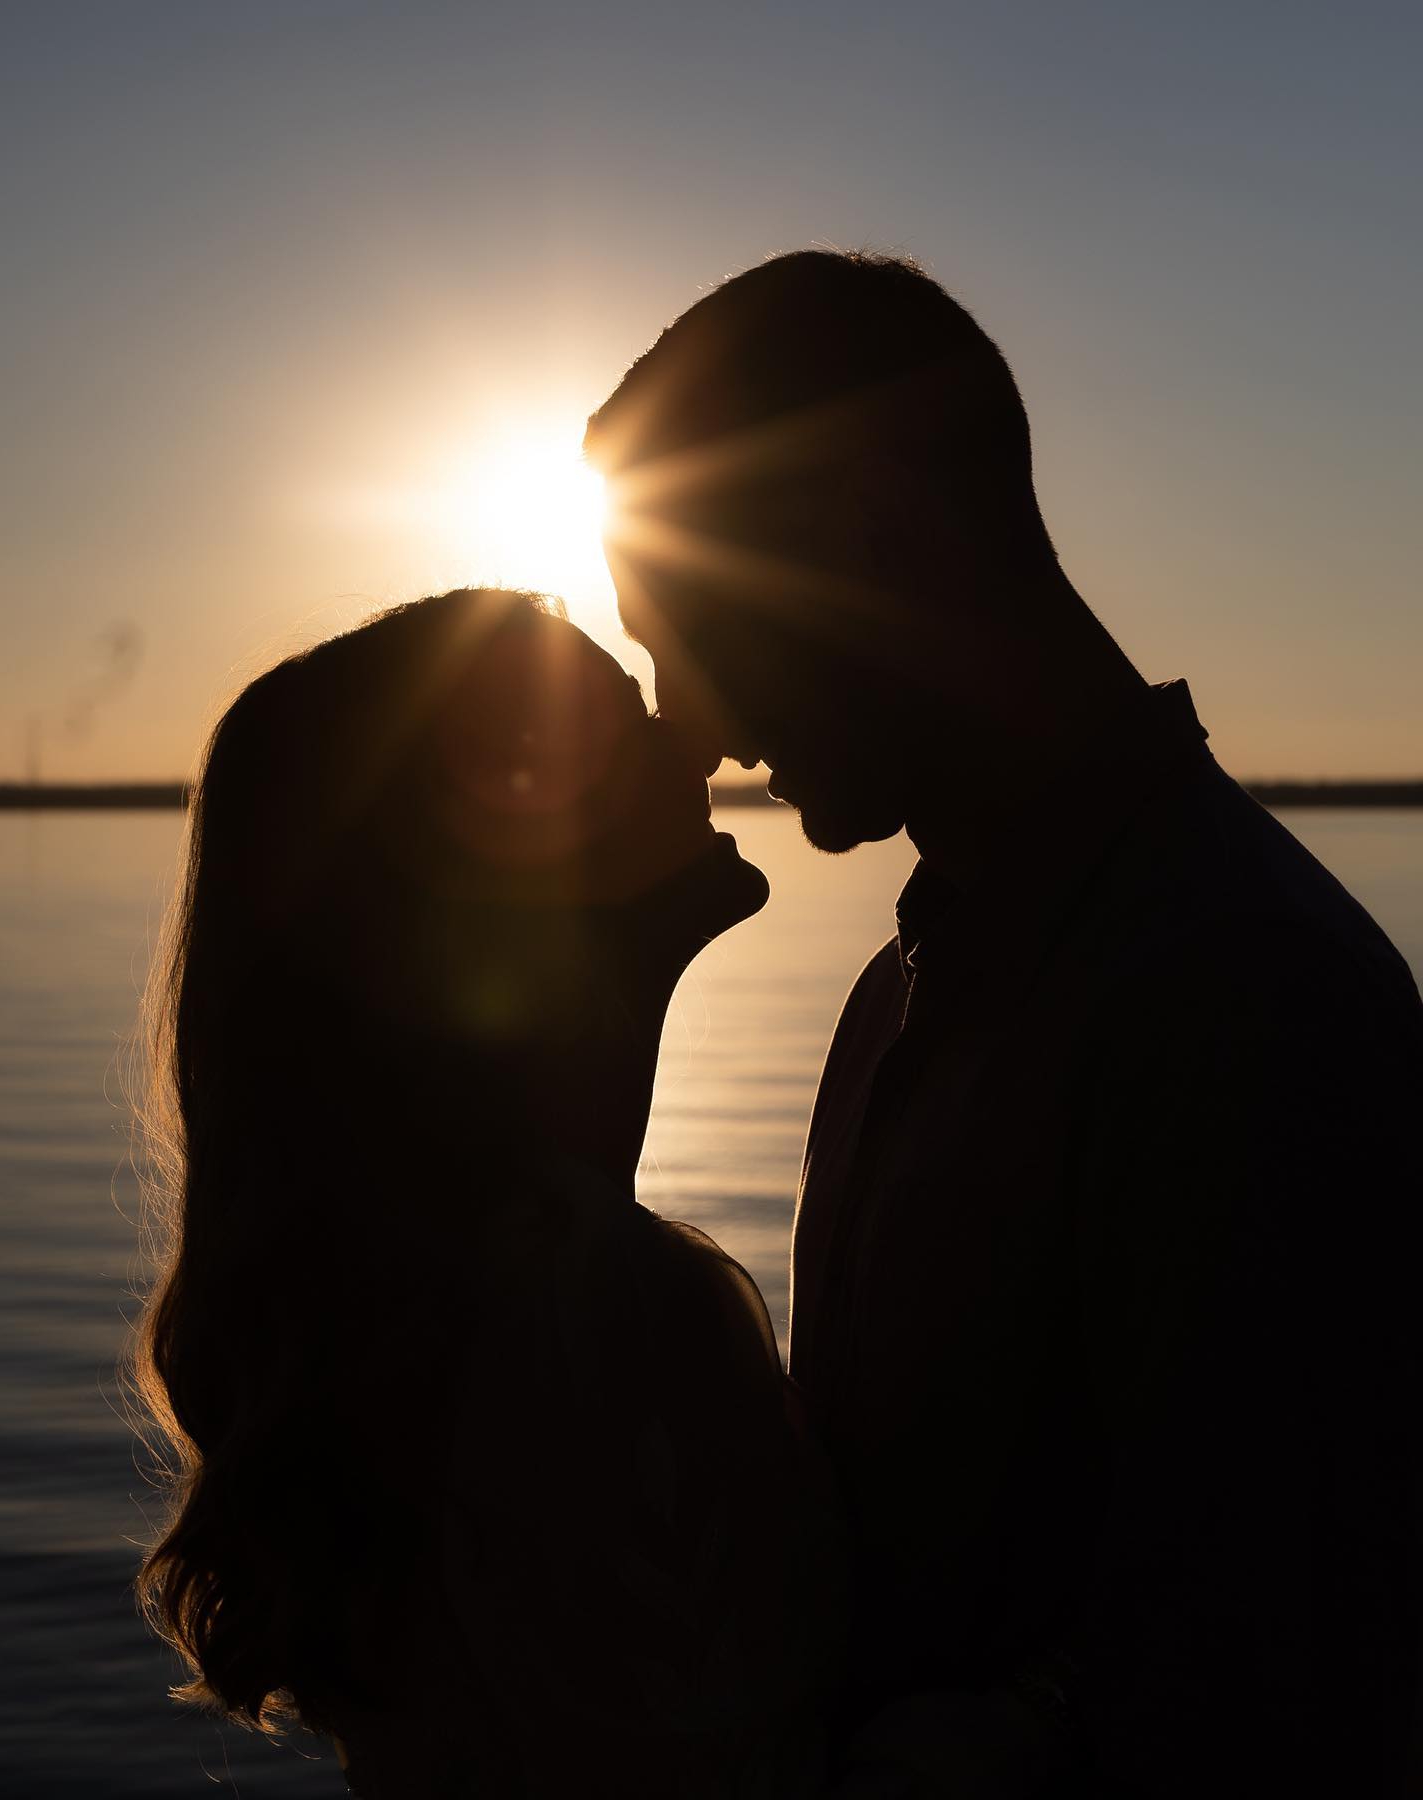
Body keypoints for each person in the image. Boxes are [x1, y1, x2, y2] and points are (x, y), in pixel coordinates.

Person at [585, 249, 1423, 1796]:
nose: (684, 718)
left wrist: (1015, 1731)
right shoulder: (899, 995)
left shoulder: (1248, 999)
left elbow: (1295, 1659)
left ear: (864, 534)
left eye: (683, 627)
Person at [132, 587, 844, 1798]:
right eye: (627, 718)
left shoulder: (429, 1296)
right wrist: (1039, 1721)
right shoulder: (590, 1315)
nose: (698, 740)